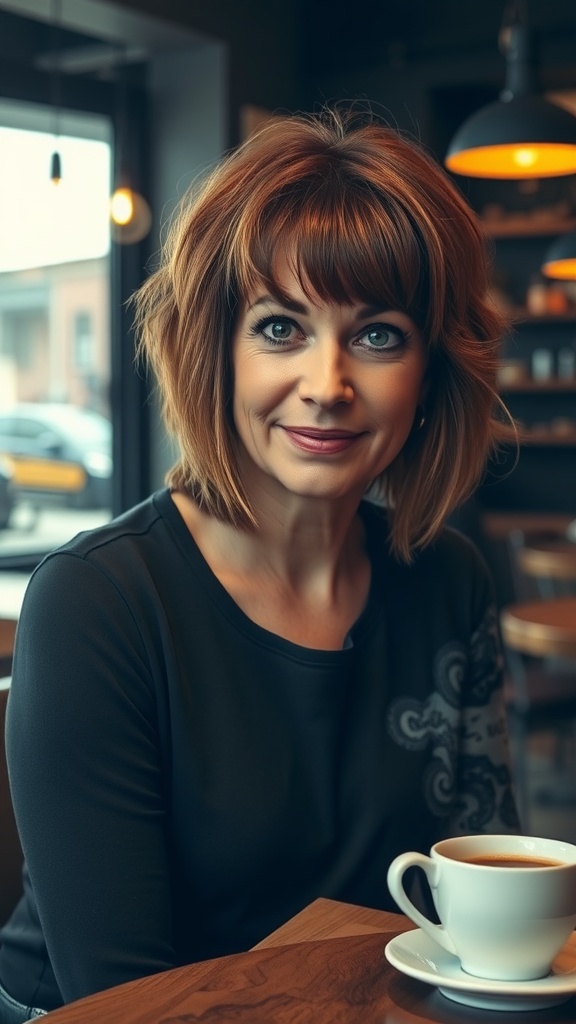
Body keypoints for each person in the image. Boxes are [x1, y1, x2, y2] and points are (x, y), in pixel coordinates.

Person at [0, 104, 520, 1020]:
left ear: (434, 372)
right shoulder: (98, 601)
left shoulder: (452, 583)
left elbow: (484, 916)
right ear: (217, 350)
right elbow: (126, 1000)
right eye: (281, 327)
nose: (327, 384)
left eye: (378, 333)